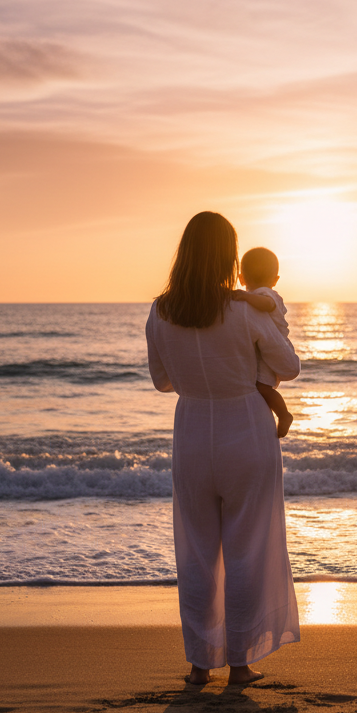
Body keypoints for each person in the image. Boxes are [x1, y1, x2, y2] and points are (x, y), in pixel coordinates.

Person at [145, 211, 302, 686]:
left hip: (192, 432)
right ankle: (239, 663)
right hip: (247, 432)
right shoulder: (244, 310)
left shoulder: (161, 310)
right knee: (246, 550)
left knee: (195, 551)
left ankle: (198, 665)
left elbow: (161, 380)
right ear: (229, 256)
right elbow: (289, 367)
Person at [232, 246, 294, 438]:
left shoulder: (266, 294)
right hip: (267, 347)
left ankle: (284, 415)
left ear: (241, 278)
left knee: (262, 387)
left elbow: (267, 305)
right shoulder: (262, 292)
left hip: (277, 346)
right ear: (276, 279)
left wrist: (244, 296)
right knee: (259, 385)